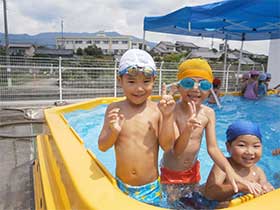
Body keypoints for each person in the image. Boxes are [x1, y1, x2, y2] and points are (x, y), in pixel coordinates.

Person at [160, 58, 258, 205]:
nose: (195, 88)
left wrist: (230, 171)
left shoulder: (208, 113)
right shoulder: (172, 111)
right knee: (174, 205)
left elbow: (212, 148)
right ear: (178, 86)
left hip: (192, 171)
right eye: (188, 83)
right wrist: (188, 129)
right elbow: (176, 151)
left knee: (192, 202)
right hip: (171, 173)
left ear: (210, 89)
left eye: (204, 84)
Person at [98, 49, 176, 205]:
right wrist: (114, 132)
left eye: (146, 81)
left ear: (154, 80)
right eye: (131, 82)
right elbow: (102, 146)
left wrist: (167, 116)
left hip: (151, 188)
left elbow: (167, 146)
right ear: (120, 80)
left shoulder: (157, 110)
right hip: (121, 186)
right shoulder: (114, 109)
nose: (139, 88)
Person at [204, 120, 274, 208]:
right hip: (201, 203)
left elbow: (263, 189)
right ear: (228, 147)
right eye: (242, 145)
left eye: (256, 146)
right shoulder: (223, 166)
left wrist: (266, 187)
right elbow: (210, 194)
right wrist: (240, 187)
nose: (250, 152)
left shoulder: (258, 172)